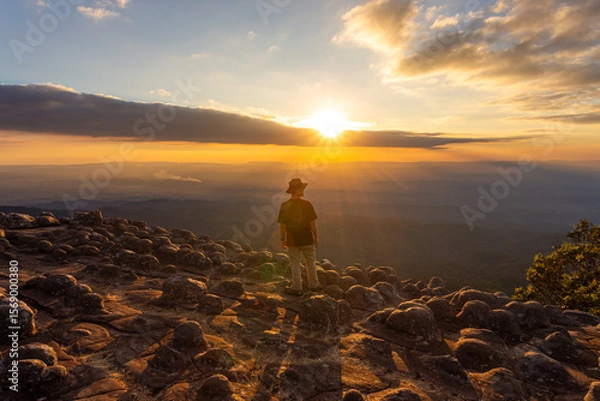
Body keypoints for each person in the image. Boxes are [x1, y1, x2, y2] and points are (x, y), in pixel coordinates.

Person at [277, 178, 321, 295]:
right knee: (310, 262)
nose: (303, 190)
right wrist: (316, 237)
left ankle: (297, 288)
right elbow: (313, 223)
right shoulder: (307, 204)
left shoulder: (285, 206)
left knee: (295, 262)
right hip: (307, 238)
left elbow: (283, 226)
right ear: (297, 190)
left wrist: (283, 239)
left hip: (292, 240)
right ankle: (314, 285)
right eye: (301, 188)